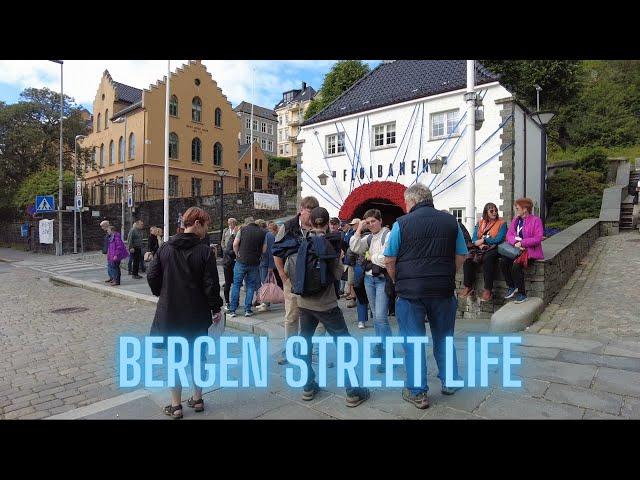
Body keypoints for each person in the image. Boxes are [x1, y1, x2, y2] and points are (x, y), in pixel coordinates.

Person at [384, 184, 467, 409]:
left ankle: (418, 392)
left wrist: (396, 281)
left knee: (413, 341)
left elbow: (389, 259)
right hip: (442, 289)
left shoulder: (401, 224)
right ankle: (450, 382)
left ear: (410, 202)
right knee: (444, 337)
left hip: (411, 293)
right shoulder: (451, 222)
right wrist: (449, 274)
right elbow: (461, 254)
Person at [287, 206, 370, 407]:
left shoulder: (301, 241)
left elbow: (291, 268)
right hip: (326, 304)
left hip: (304, 303)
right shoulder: (328, 244)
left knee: (305, 343)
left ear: (310, 222)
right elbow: (337, 274)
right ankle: (352, 391)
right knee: (344, 344)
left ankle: (308, 386)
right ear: (327, 223)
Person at [147, 207, 223, 419]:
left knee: (176, 358)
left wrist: (163, 292)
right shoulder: (205, 251)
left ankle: (176, 405)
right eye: (206, 225)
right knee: (198, 356)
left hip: (171, 312)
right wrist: (215, 307)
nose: (207, 230)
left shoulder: (165, 248)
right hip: (197, 313)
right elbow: (211, 285)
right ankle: (197, 399)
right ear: (197, 224)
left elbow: (152, 276)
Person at [272, 196, 320, 366]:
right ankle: (290, 352)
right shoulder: (288, 227)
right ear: (301, 209)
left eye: (314, 212)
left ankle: (310, 351)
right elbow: (276, 253)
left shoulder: (319, 225)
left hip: (313, 280)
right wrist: (283, 278)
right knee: (292, 316)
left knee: (315, 316)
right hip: (291, 279)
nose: (312, 215)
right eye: (309, 211)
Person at [349, 208, 392, 373]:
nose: (371, 224)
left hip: (381, 279)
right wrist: (359, 228)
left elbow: (384, 258)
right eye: (368, 222)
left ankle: (386, 357)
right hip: (369, 279)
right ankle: (384, 351)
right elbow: (354, 246)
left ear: (380, 220)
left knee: (381, 318)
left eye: (373, 221)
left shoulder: (387, 234)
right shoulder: (368, 237)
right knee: (377, 318)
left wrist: (370, 257)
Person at [499, 197, 544, 304]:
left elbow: (538, 238)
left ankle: (522, 294)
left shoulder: (536, 220)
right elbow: (509, 235)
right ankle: (512, 286)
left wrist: (523, 243)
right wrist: (516, 243)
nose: (516, 209)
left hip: (530, 251)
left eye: (517, 207)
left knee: (516, 266)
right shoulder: (516, 220)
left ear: (525, 209)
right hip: (516, 249)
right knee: (503, 261)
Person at [460, 203, 507, 302]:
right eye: (491, 211)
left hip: (495, 247)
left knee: (488, 258)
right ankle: (468, 286)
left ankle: (487, 290)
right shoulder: (480, 223)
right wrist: (480, 244)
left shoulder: (502, 223)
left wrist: (484, 241)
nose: (494, 212)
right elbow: (474, 238)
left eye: (495, 210)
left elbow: (499, 239)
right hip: (481, 247)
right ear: (486, 212)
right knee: (468, 258)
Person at [229, 217, 266, 317]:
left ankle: (232, 310)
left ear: (246, 223)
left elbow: (235, 244)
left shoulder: (242, 230)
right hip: (254, 262)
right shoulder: (262, 232)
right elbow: (264, 249)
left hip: (241, 261)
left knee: (236, 285)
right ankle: (248, 310)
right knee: (250, 286)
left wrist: (237, 254)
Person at [256, 219, 277, 312]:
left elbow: (272, 252)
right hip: (263, 263)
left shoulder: (269, 235)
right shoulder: (265, 235)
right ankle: (264, 303)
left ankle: (266, 304)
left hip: (267, 264)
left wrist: (271, 266)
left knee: (266, 284)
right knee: (263, 283)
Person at [222, 223, 239, 309]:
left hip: (233, 263)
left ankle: (235, 302)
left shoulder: (237, 238)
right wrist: (237, 253)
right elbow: (228, 251)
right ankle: (227, 302)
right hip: (228, 264)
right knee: (228, 283)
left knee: (236, 283)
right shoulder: (232, 239)